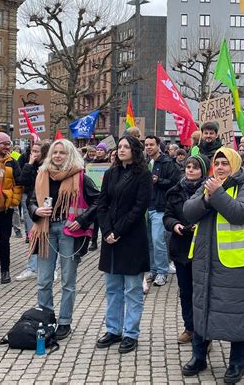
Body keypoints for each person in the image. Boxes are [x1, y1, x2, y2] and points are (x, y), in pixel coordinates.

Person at [182, 148, 244, 383]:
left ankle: (237, 363)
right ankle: (199, 356)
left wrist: (217, 194)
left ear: (235, 165)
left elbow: (241, 213)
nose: (220, 167)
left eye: (226, 163)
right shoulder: (207, 186)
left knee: (237, 313)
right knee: (202, 307)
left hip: (237, 265)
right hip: (205, 262)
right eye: (217, 163)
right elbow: (188, 212)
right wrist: (206, 198)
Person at [28, 139, 99, 340]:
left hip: (68, 231)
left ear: (70, 155)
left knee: (68, 280)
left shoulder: (80, 176)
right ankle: (46, 317)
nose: (58, 156)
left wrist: (83, 220)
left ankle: (65, 322)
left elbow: (98, 200)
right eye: (55, 152)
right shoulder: (42, 174)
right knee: (43, 280)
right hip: (45, 229)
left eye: (62, 153)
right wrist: (36, 210)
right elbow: (31, 201)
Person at [96, 135, 152, 353]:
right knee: (112, 288)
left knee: (132, 289)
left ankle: (130, 333)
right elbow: (102, 204)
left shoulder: (143, 175)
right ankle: (113, 330)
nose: (121, 150)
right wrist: (107, 230)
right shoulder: (110, 173)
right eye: (119, 147)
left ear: (134, 150)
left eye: (126, 147)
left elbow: (139, 208)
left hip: (131, 238)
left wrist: (118, 231)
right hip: (111, 239)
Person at [164, 154, 210, 344]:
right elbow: (166, 216)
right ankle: (189, 327)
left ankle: (204, 332)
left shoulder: (209, 191)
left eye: (195, 167)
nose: (190, 170)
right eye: (188, 166)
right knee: (185, 291)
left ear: (204, 171)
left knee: (202, 292)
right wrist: (175, 225)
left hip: (202, 248)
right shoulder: (175, 191)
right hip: (181, 247)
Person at [0, 132, 23, 283]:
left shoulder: (12, 162)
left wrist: (14, 201)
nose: (7, 147)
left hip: (5, 209)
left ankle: (5, 272)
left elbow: (18, 183)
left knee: (4, 241)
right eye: (4, 144)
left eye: (9, 144)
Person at [144, 135, 181, 287]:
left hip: (160, 207)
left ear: (158, 145)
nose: (148, 147)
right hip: (146, 208)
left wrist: (157, 180)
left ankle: (162, 272)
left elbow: (175, 183)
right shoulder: (145, 162)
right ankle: (153, 269)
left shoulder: (168, 163)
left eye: (151, 144)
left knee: (158, 240)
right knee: (149, 242)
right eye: (146, 145)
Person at [16, 140, 50, 281]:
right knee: (32, 235)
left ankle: (51, 268)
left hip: (46, 202)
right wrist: (29, 163)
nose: (33, 154)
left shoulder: (49, 166)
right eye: (32, 151)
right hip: (31, 204)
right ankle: (32, 267)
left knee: (49, 236)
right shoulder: (30, 164)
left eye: (37, 151)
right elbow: (22, 180)